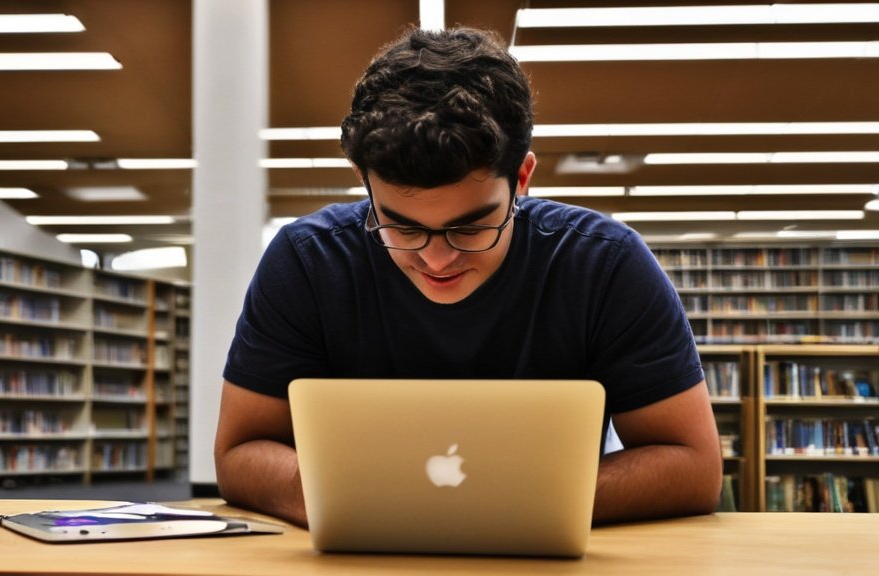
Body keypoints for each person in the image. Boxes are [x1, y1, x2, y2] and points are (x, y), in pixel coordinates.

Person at [214, 26, 721, 528]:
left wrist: (491, 502)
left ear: (521, 179)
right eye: (401, 226)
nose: (436, 260)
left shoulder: (604, 263)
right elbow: (240, 451)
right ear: (363, 181)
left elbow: (692, 466)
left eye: (471, 226)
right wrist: (339, 495)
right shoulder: (306, 261)